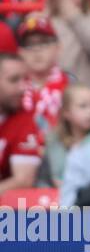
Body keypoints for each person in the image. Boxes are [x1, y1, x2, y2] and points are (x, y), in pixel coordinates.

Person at [39, 84, 90, 190]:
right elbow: (44, 179)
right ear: (66, 112)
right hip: (58, 200)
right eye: (83, 106)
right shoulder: (53, 141)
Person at [0, 54, 44, 197]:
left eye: (25, 80)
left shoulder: (25, 120)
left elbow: (23, 180)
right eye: (14, 80)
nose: (22, 88)